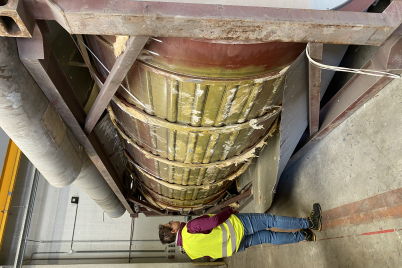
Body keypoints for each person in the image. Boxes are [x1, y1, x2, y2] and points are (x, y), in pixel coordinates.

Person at [158, 203, 322, 260]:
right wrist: (229, 210)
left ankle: (304, 235)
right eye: (171, 222)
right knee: (270, 220)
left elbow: (211, 253)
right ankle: (309, 222)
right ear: (173, 230)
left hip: (236, 246)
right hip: (238, 226)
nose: (173, 220)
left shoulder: (189, 251)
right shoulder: (188, 229)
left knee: (269, 237)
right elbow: (214, 221)